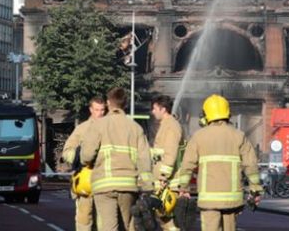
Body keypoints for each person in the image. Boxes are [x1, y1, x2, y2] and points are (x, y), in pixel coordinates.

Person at [171, 94, 262, 231]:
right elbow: (251, 166)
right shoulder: (239, 136)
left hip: (209, 201)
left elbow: (187, 165)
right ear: (228, 113)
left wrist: (183, 188)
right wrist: (255, 189)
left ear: (206, 115)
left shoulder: (198, 137)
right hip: (232, 200)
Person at [80, 87, 153, 231]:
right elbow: (145, 160)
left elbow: (86, 156)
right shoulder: (136, 128)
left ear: (108, 103)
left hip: (104, 185)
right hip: (128, 186)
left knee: (108, 227)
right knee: (128, 226)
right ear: (125, 104)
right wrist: (148, 188)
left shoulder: (99, 125)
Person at [62, 95, 106, 231]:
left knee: (104, 220)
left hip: (104, 181)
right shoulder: (82, 129)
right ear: (90, 110)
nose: (99, 113)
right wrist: (78, 158)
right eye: (97, 110)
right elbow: (67, 151)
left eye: (102, 110)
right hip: (85, 181)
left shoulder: (110, 128)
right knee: (84, 218)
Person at [150, 95, 183, 231]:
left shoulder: (171, 126)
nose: (153, 112)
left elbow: (170, 153)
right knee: (162, 218)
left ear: (163, 109)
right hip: (163, 180)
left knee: (165, 218)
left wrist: (164, 176)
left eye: (155, 108)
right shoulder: (166, 125)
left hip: (168, 182)